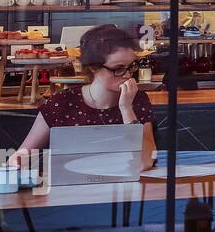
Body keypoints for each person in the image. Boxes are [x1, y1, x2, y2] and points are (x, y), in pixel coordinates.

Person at [15, 24, 156, 172]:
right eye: (118, 68)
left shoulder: (137, 100)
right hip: (69, 191)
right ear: (93, 67)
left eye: (131, 66)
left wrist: (126, 109)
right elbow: (21, 156)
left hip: (122, 191)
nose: (127, 75)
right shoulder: (61, 103)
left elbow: (144, 162)